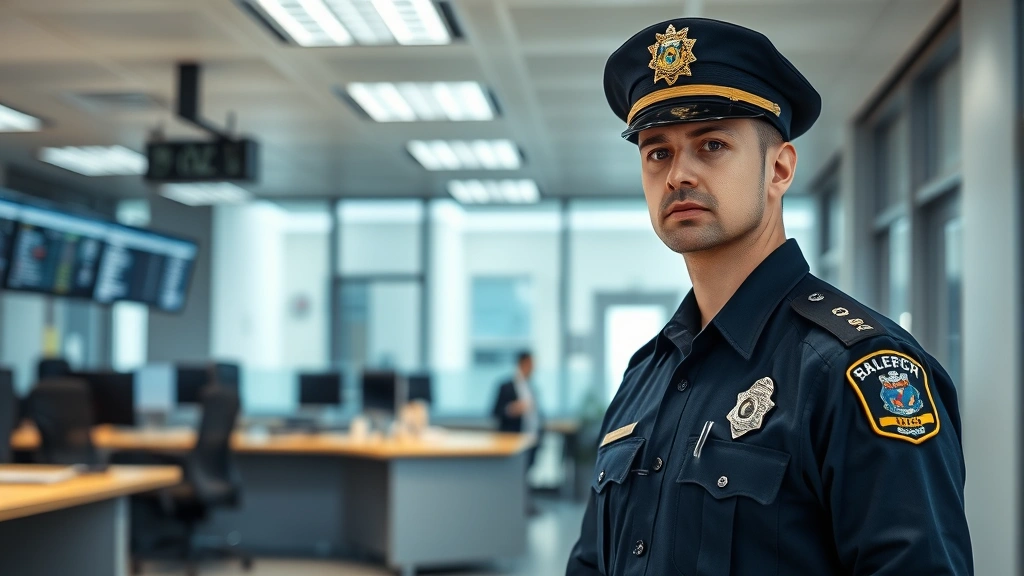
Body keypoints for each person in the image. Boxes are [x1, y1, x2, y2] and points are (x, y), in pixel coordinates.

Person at [566, 17, 973, 576]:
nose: (678, 173)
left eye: (712, 144)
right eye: (657, 152)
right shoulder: (646, 376)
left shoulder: (854, 370)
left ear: (778, 168)